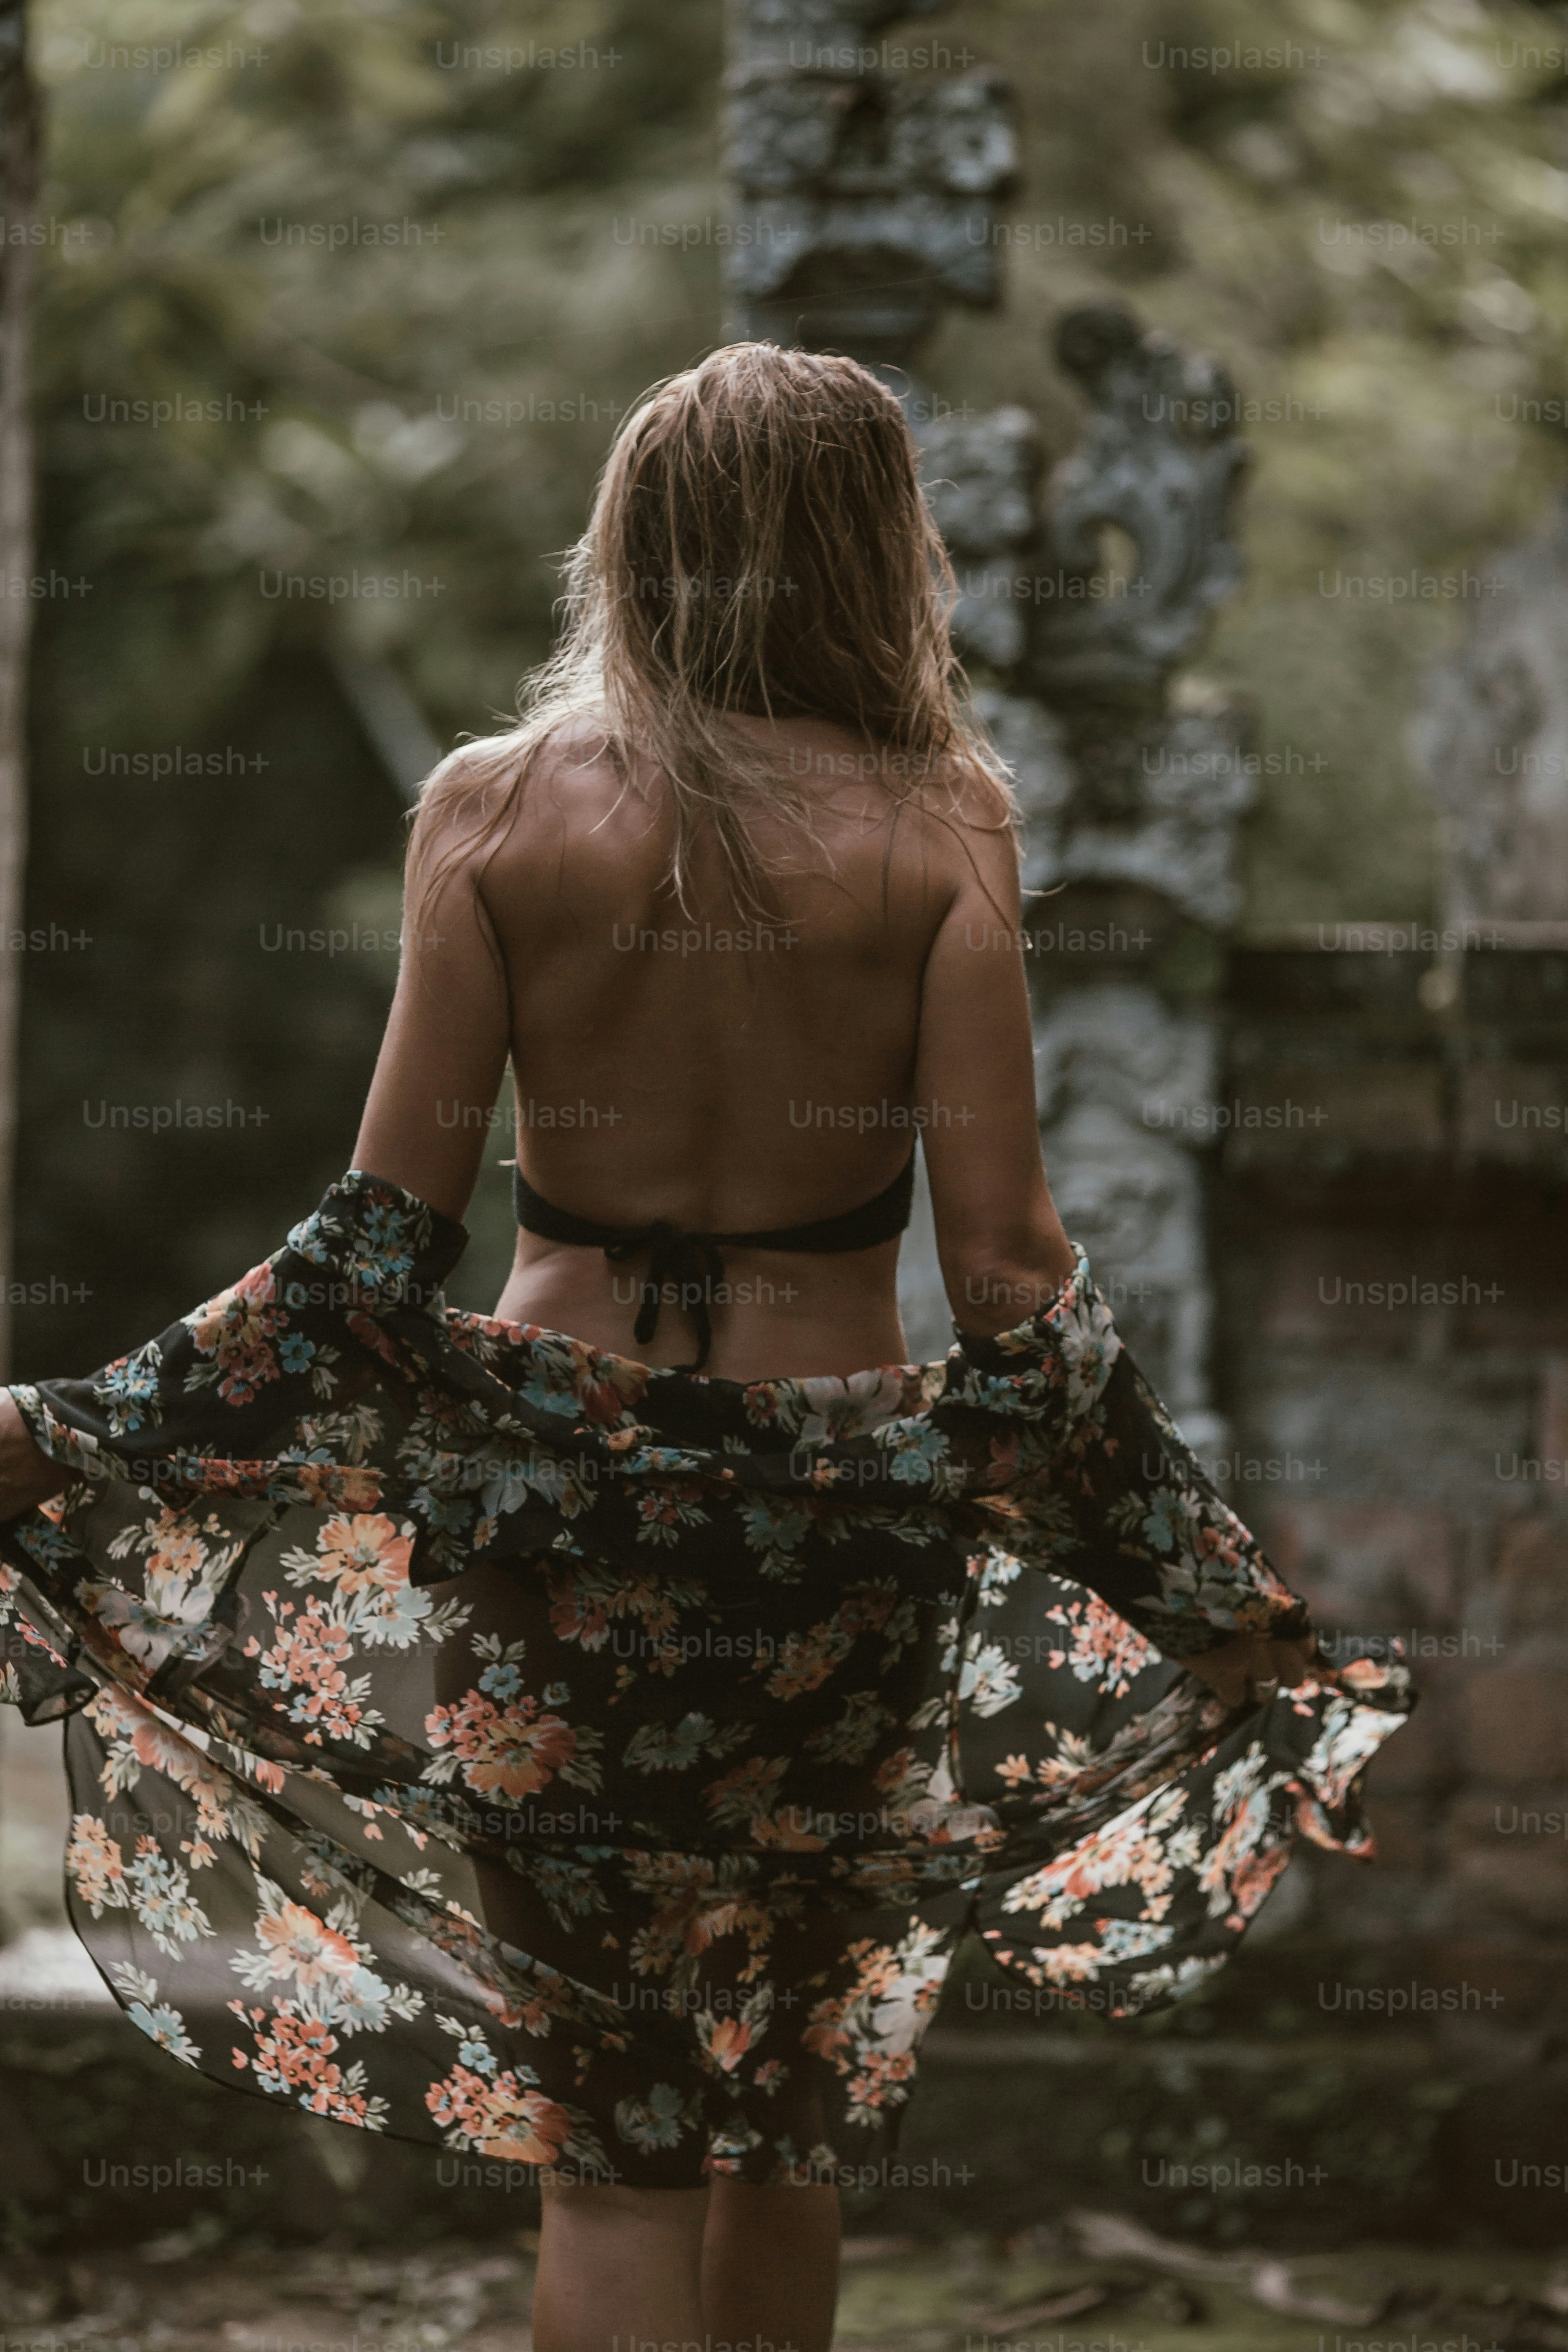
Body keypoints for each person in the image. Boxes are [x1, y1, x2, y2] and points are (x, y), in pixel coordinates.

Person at [0, 344, 1405, 2352]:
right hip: (838, 1527)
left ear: (636, 546)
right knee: (784, 2119)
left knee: (610, 2132)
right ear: (873, 553)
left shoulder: (492, 814)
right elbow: (1010, 1275)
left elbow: (371, 1254)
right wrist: (1209, 1598)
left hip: (548, 1502)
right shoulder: (940, 825)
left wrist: (73, 1432)